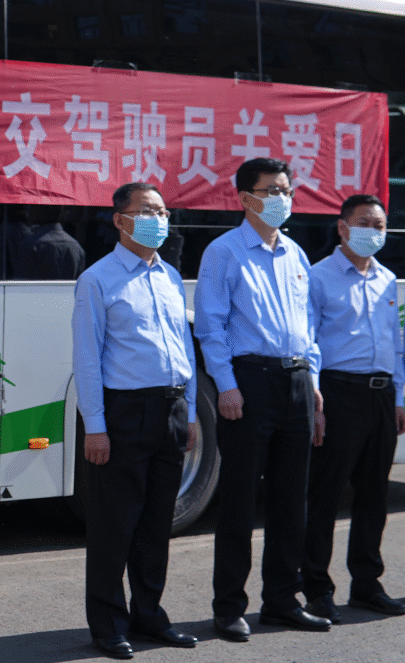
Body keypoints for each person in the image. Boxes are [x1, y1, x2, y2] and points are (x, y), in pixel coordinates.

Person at [193, 157, 329, 642]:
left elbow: (307, 325)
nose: (281, 199)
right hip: (249, 382)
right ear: (245, 198)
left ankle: (282, 601)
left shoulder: (295, 253)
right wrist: (226, 385)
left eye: (286, 190)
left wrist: (312, 381)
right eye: (271, 190)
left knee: (292, 500)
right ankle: (229, 606)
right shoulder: (224, 252)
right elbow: (210, 326)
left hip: (295, 381)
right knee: (239, 499)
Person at [72, 182, 198, 660]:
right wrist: (96, 426)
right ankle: (108, 624)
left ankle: (149, 614)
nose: (157, 220)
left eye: (162, 211)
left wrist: (188, 412)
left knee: (156, 522)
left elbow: (183, 348)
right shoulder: (98, 279)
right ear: (120, 220)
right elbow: (87, 357)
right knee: (114, 524)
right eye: (147, 211)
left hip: (171, 409)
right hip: (124, 412)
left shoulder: (169, 276)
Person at [302, 194, 405, 621]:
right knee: (325, 494)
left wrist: (399, 397)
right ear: (342, 228)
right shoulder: (318, 277)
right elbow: (307, 341)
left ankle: (366, 584)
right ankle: (316, 588)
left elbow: (397, 344)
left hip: (381, 396)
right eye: (365, 223)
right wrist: (315, 398)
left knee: (374, 495)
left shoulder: (387, 279)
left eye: (380, 225)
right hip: (339, 392)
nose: (373, 232)